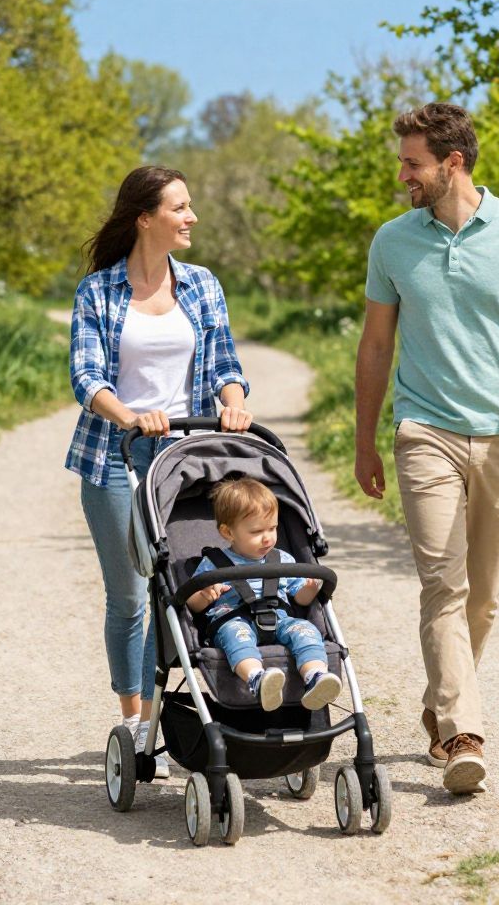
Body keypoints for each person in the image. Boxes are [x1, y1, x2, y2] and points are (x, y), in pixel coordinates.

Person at [354, 102, 499, 795]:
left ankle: (439, 703)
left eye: (413, 163)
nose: (403, 175)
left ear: (453, 163)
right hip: (425, 430)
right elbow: (375, 347)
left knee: (483, 599)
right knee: (443, 585)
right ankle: (463, 736)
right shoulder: (393, 242)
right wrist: (366, 440)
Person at [68, 165, 254, 774]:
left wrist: (232, 401)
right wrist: (128, 416)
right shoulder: (98, 291)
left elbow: (225, 358)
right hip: (117, 454)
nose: (191, 217)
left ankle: (171, 714)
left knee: (176, 586)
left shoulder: (201, 284)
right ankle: (134, 719)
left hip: (189, 456)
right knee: (130, 594)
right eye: (180, 207)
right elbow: (86, 375)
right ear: (145, 218)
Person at [186, 478, 343, 711]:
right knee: (234, 634)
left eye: (272, 528)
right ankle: (257, 679)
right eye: (257, 531)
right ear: (228, 532)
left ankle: (315, 676)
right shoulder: (214, 564)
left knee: (306, 629)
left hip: (280, 619)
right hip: (234, 620)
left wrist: (308, 590)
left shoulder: (282, 559)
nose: (267, 537)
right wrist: (204, 595)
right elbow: (191, 603)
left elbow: (300, 599)